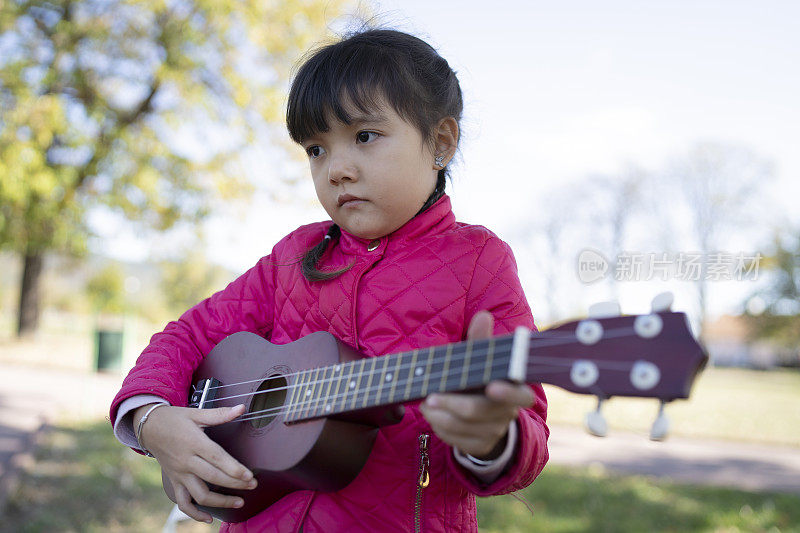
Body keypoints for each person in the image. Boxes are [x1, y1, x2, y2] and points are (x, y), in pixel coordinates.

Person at [110, 28, 549, 532]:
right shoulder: (292, 258)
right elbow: (187, 335)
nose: (336, 169)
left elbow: (528, 430)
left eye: (364, 136)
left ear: (441, 143)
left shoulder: (480, 263)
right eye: (316, 149)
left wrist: (493, 438)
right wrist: (151, 419)